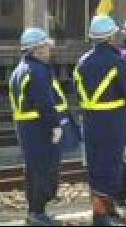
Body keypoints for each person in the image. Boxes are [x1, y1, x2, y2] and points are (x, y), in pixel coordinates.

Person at [73, 15, 126, 225]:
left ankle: (106, 210)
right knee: (110, 166)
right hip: (112, 121)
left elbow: (76, 90)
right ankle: (101, 216)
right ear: (111, 37)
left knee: (95, 166)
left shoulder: (82, 61)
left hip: (90, 120)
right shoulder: (118, 61)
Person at [9, 28, 68, 226]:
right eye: (46, 46)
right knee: (45, 169)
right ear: (36, 49)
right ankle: (37, 213)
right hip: (40, 128)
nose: (50, 49)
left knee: (34, 169)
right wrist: (55, 125)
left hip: (28, 128)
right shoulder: (37, 71)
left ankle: (35, 212)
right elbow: (44, 102)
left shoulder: (20, 69)